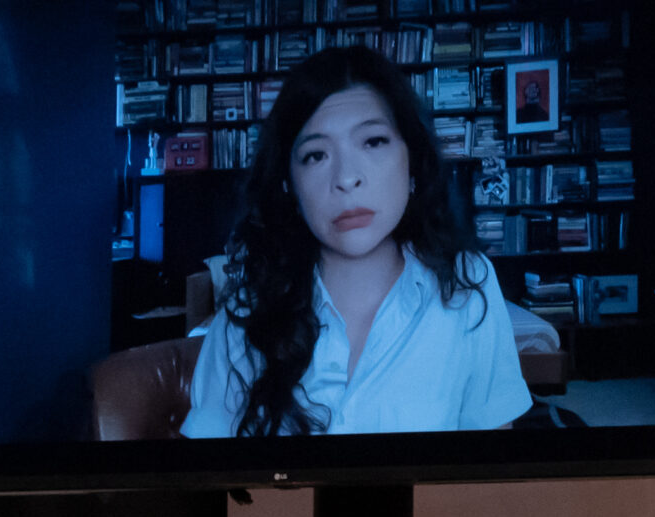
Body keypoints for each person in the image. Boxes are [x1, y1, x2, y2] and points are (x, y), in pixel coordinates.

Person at [183, 45, 531, 438]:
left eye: (373, 142)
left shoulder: (467, 285)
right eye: (316, 155)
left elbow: (491, 473)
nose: (347, 178)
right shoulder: (248, 310)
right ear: (288, 185)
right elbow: (207, 479)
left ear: (412, 163)